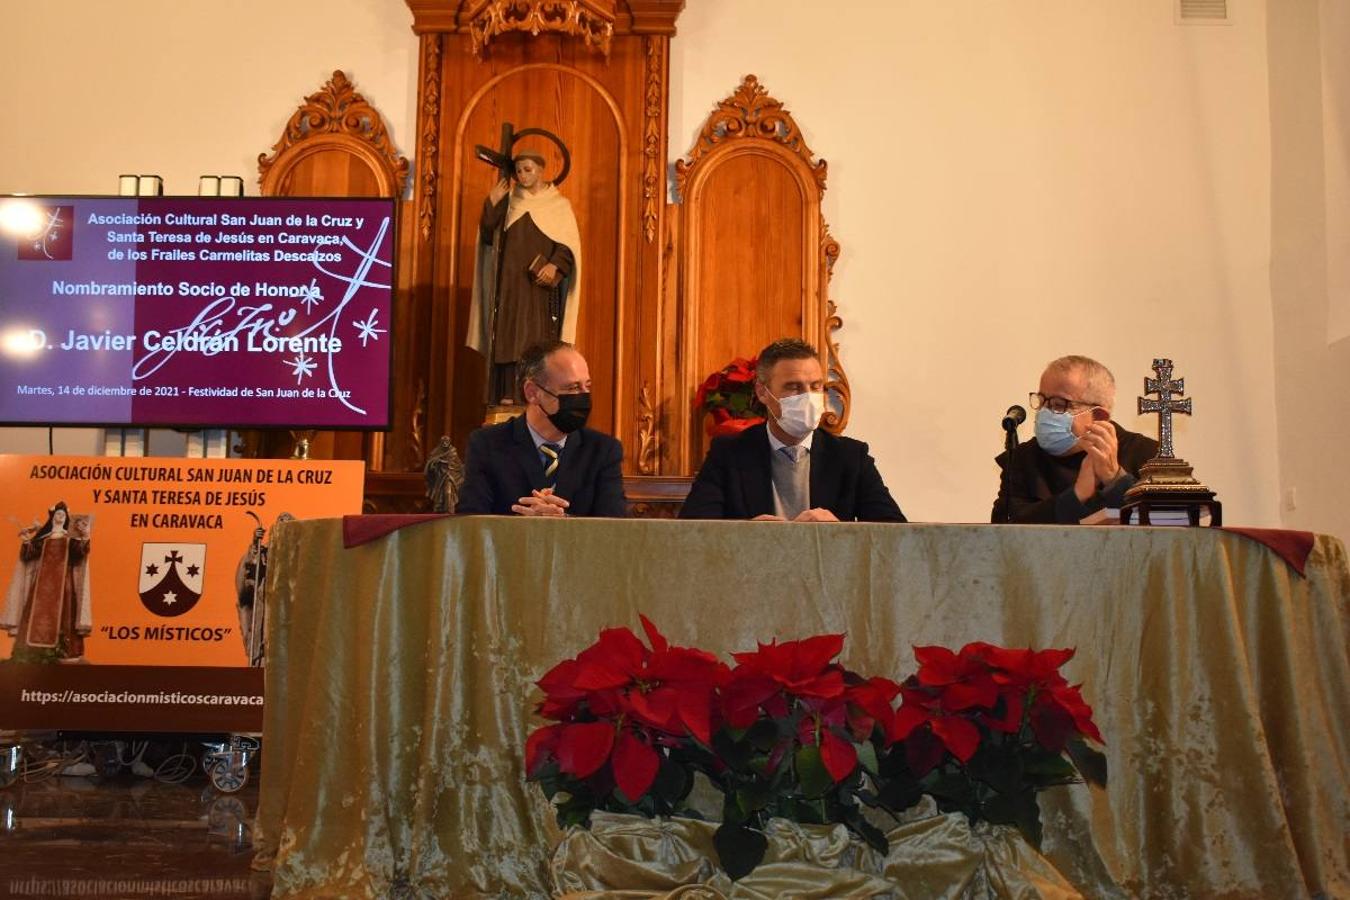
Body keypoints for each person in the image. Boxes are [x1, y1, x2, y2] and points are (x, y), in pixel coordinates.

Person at [680, 338, 906, 522]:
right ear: (762, 392)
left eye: (815, 386)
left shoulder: (851, 457)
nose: (808, 397)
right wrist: (745, 536)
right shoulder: (728, 454)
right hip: (754, 575)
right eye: (793, 387)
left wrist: (840, 533)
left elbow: (895, 534)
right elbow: (692, 532)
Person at [457, 340, 627, 517]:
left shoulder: (603, 450)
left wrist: (564, 522)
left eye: (587, 386)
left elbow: (617, 528)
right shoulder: (487, 444)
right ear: (532, 392)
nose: (583, 396)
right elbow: (470, 520)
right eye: (573, 387)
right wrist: (522, 526)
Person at [467, 151, 583, 404]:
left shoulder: (558, 205)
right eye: (518, 171)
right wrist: (492, 204)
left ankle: (532, 392)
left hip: (538, 291)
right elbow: (489, 237)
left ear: (542, 170)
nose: (522, 175)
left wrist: (554, 266)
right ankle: (508, 392)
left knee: (535, 340)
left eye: (528, 169)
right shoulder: (509, 201)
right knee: (508, 337)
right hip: (509, 285)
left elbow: (567, 247)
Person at [991, 355, 1159, 524]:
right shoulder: (1021, 459)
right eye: (1042, 401)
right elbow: (1002, 533)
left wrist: (1115, 479)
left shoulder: (1146, 455)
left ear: (1098, 416)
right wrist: (1077, 495)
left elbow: (1165, 528)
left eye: (1059, 404)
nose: (1044, 413)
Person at [1, 501, 93, 662]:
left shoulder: (69, 538)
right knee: (35, 613)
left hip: (64, 584)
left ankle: (63, 651)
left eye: (63, 515)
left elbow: (79, 553)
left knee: (65, 614)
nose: (60, 517)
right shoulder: (44, 538)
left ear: (66, 519)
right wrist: (25, 540)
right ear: (52, 517)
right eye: (57, 514)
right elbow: (28, 554)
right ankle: (32, 651)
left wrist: (85, 536)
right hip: (41, 585)